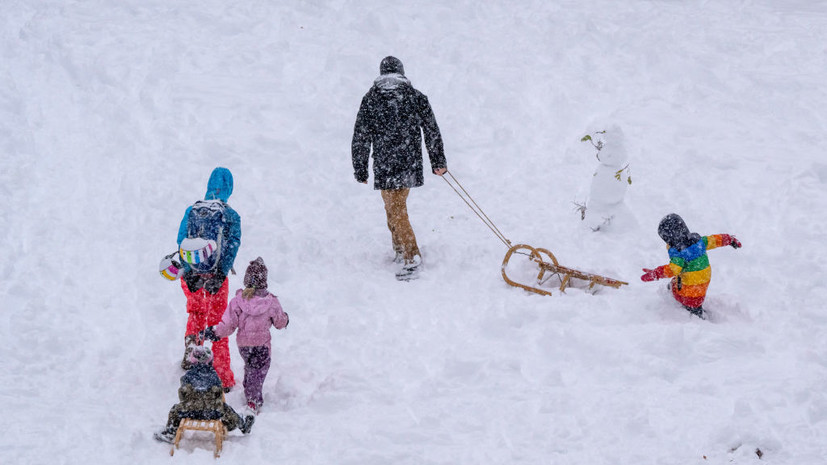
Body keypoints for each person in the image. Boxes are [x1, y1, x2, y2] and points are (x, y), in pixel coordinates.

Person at [352, 56, 448, 280]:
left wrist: (361, 167)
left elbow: (360, 136)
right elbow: (431, 130)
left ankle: (410, 258)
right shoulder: (415, 96)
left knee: (395, 209)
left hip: (385, 162)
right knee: (393, 207)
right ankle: (399, 250)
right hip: (408, 161)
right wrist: (438, 161)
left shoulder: (371, 98)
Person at [176, 167, 241, 392]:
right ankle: (221, 377)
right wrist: (220, 273)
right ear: (230, 188)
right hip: (216, 277)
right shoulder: (231, 215)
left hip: (191, 274)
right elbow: (232, 247)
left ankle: (192, 358)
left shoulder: (192, 210)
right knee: (216, 324)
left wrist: (189, 270)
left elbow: (181, 240)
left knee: (196, 314)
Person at [201, 257, 289, 414]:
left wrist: (215, 332)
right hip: (261, 344)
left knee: (251, 366)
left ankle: (249, 389)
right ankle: (253, 400)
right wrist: (286, 319)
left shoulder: (237, 301)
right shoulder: (271, 302)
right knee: (259, 369)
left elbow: (228, 325)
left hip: (244, 345)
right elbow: (279, 322)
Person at [640, 213, 742, 319]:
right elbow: (715, 240)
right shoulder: (699, 242)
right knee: (689, 286)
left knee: (677, 287)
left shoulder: (679, 254)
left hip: (690, 290)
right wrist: (729, 239)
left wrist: (655, 273)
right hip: (703, 281)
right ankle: (696, 307)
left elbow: (672, 270)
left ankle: (693, 312)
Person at [154, 346, 254, 443]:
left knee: (174, 410)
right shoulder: (213, 376)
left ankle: (170, 431)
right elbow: (219, 394)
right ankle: (242, 424)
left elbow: (182, 395)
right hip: (212, 412)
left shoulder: (188, 376)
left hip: (189, 411)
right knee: (226, 409)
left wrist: (191, 403)